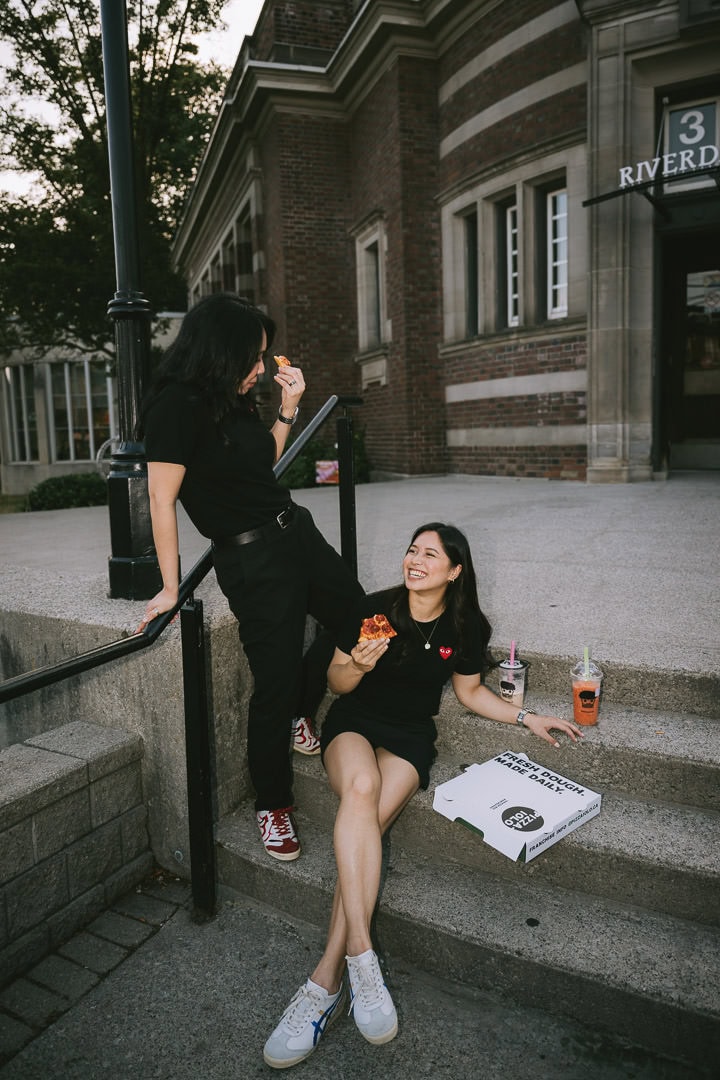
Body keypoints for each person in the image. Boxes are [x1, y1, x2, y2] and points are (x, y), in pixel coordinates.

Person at [263, 521, 583, 1069]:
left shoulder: (466, 625)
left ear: (454, 571)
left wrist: (527, 715)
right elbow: (336, 682)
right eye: (412, 550)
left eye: (430, 554)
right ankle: (356, 962)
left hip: (410, 738)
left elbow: (470, 692)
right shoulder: (376, 609)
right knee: (360, 790)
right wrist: (355, 666)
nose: (415, 560)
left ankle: (326, 983)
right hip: (354, 725)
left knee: (363, 829)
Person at [140, 293, 364, 862]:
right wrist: (170, 588)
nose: (262, 368)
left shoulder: (230, 397)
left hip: (298, 533)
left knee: (365, 624)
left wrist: (287, 409)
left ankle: (300, 709)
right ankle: (273, 804)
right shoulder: (173, 406)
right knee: (274, 676)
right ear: (223, 350)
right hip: (251, 562)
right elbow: (161, 501)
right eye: (255, 357)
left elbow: (260, 462)